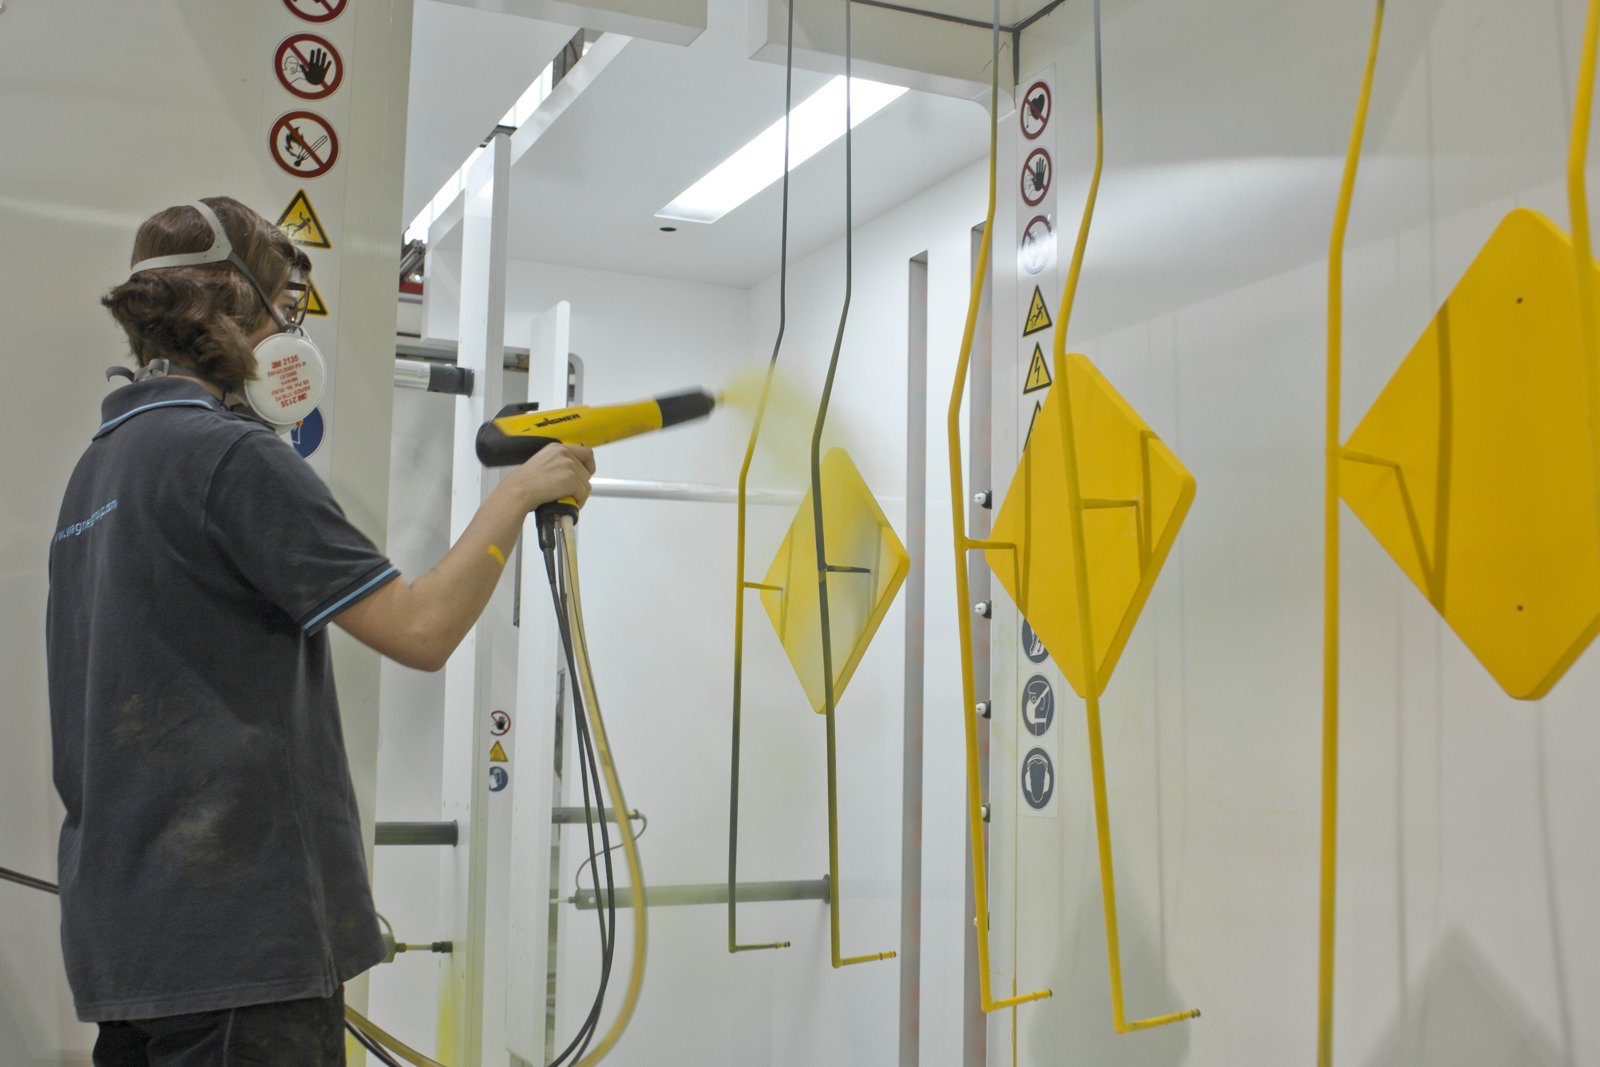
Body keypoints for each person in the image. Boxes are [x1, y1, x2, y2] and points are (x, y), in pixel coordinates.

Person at [46, 196, 593, 1065]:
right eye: (283, 306)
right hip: (244, 953)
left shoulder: (98, 470)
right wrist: (518, 494)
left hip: (129, 952)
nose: (289, 331)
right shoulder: (229, 455)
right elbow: (421, 629)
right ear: (231, 303)